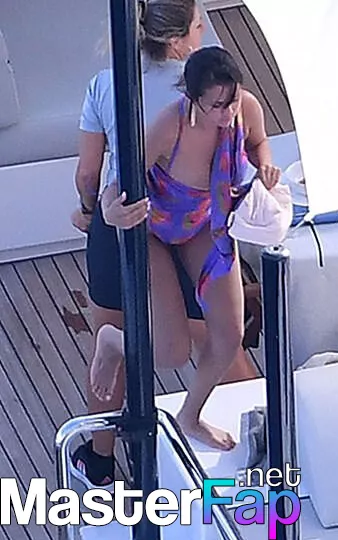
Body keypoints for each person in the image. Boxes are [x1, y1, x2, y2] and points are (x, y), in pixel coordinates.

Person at [69, 0, 259, 489]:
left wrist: (89, 210)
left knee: (121, 335)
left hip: (128, 219)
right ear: (178, 39)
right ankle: (258, 433)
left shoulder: (108, 83)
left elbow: (89, 173)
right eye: (199, 24)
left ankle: (99, 462)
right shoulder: (214, 91)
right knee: (219, 338)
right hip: (195, 221)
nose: (204, 31)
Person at [89, 45, 281, 451]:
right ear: (193, 98)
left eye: (232, 100)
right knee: (171, 353)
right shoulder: (167, 126)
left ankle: (190, 415)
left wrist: (264, 163)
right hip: (152, 228)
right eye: (217, 105)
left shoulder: (246, 108)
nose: (228, 112)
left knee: (229, 335)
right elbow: (118, 180)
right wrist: (108, 208)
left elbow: (258, 142)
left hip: (203, 221)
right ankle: (112, 341)